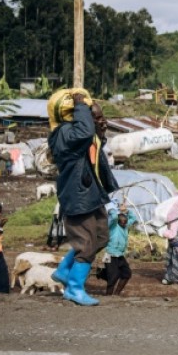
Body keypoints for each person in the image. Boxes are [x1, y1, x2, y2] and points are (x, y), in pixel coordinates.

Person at [49, 91, 119, 306]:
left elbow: (92, 150)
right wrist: (81, 105)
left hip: (90, 194)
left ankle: (63, 270)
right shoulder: (64, 132)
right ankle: (74, 288)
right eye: (94, 117)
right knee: (86, 245)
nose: (99, 121)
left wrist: (99, 132)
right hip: (78, 197)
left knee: (101, 238)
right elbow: (84, 133)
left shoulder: (81, 135)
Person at [104, 203, 137, 296]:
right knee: (113, 277)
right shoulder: (113, 226)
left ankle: (116, 294)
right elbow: (114, 217)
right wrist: (112, 209)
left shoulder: (125, 226)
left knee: (127, 274)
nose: (123, 223)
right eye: (121, 221)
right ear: (118, 221)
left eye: (125, 222)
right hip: (110, 255)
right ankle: (108, 295)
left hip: (120, 255)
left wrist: (127, 211)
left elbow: (133, 219)